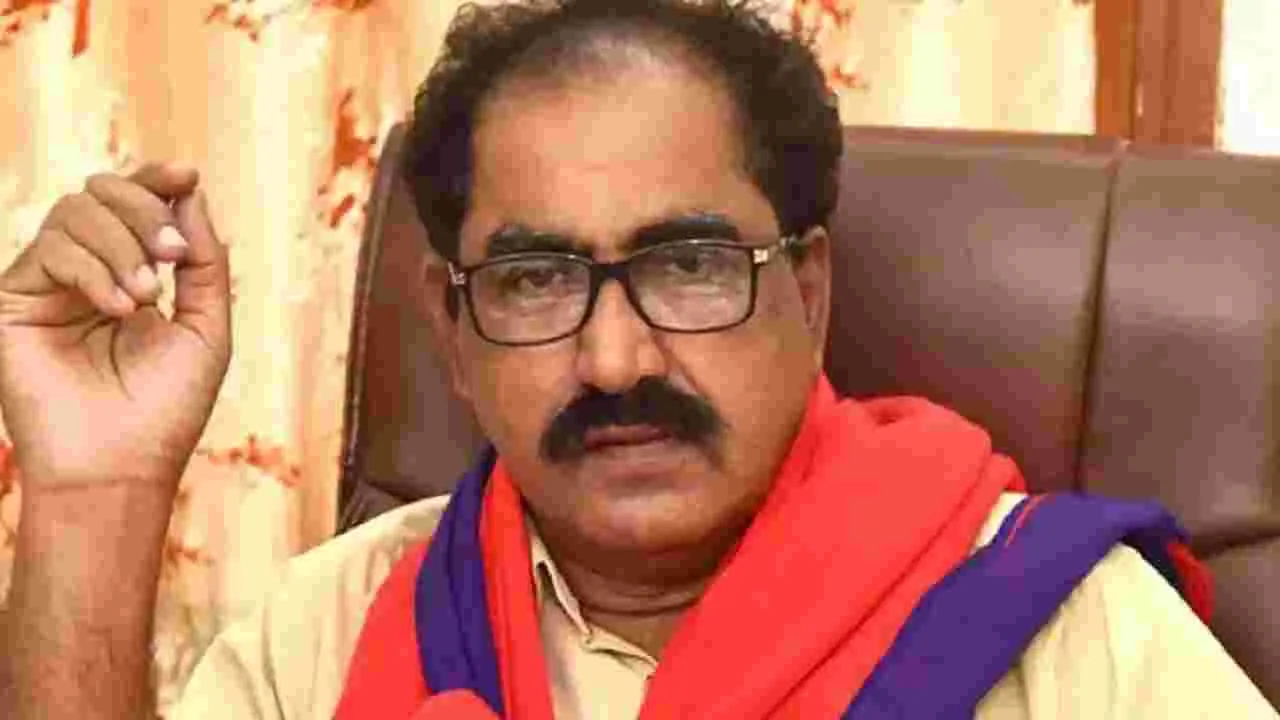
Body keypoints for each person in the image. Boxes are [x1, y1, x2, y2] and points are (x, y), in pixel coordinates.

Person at [0, 1, 1274, 718]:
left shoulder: (1063, 636)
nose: (613, 360)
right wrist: (92, 494)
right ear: (452, 334)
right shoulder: (332, 629)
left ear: (807, 291)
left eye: (687, 265)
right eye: (535, 281)